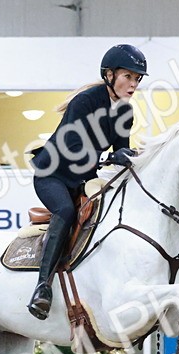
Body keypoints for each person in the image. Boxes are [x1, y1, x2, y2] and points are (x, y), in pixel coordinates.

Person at [26, 43, 146, 320]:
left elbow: (119, 149)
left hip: (82, 179)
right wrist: (110, 159)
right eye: (128, 76)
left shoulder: (125, 112)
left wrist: (129, 156)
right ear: (109, 75)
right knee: (66, 211)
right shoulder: (86, 101)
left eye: (137, 79)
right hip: (53, 175)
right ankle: (42, 288)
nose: (133, 84)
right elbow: (75, 147)